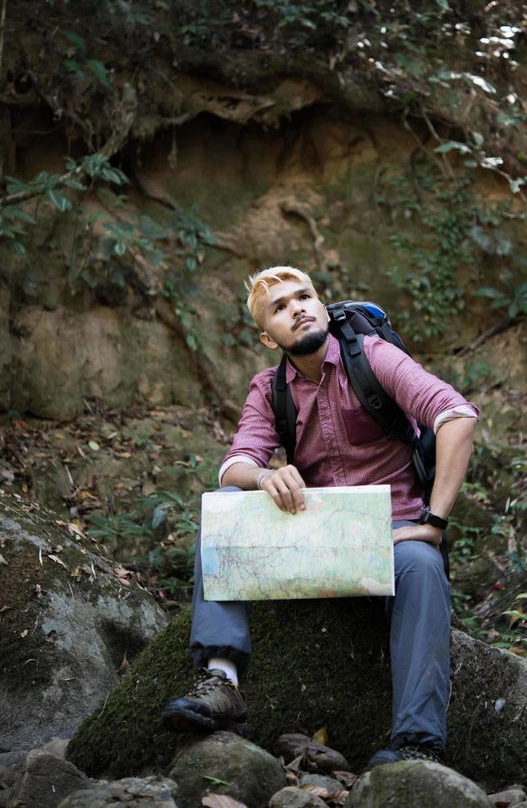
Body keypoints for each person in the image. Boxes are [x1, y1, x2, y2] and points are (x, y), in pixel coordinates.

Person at [163, 265, 479, 765]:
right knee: (221, 511)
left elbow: (456, 415)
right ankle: (222, 684)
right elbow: (234, 465)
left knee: (421, 564)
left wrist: (434, 522)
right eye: (281, 307)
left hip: (389, 532)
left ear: (322, 303)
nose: (298, 308)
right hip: (313, 536)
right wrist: (266, 477)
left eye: (304, 296)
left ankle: (418, 746)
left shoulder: (374, 358)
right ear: (270, 337)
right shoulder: (269, 389)